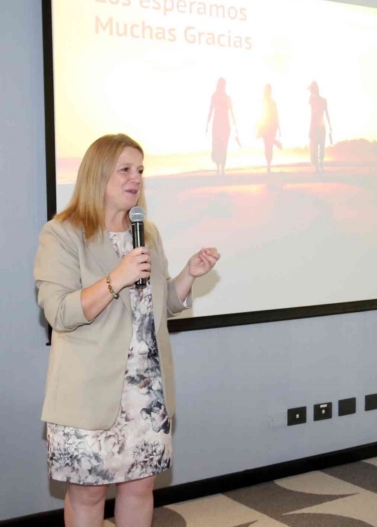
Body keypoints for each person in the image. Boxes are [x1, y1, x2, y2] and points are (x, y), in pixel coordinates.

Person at [34, 134, 220, 527]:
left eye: (140, 170)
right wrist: (116, 278)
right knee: (88, 494)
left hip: (145, 392)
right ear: (98, 174)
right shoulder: (62, 233)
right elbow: (60, 312)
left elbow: (160, 305)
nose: (136, 178)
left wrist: (189, 275)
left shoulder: (146, 233)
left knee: (140, 488)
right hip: (88, 394)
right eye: (125, 170)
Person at [206, 77, 239, 175]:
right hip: (217, 125)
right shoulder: (215, 97)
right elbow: (210, 110)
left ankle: (222, 168)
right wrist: (207, 124)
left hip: (224, 125)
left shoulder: (226, 98)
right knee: (218, 146)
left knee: (223, 146)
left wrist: (235, 124)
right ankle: (218, 167)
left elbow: (232, 111)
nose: (223, 87)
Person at [308, 80, 332, 173]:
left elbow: (326, 113)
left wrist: (329, 125)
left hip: (316, 126)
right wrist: (329, 125)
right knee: (320, 147)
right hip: (319, 126)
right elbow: (327, 113)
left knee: (317, 147)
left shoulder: (313, 100)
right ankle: (319, 165)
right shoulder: (322, 100)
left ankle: (319, 166)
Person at [256, 84, 282, 173]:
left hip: (270, 127)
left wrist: (278, 127)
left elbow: (276, 115)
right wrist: (258, 127)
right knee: (267, 146)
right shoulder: (264, 102)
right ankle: (268, 164)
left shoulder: (272, 103)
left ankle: (268, 164)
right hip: (266, 126)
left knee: (268, 146)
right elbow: (260, 114)